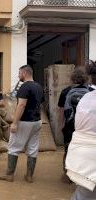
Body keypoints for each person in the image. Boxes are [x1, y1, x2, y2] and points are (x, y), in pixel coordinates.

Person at [0, 65, 43, 183]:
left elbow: (21, 105)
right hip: (37, 122)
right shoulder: (38, 86)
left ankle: (9, 175)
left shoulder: (24, 87)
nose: (18, 75)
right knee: (33, 148)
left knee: (13, 148)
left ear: (24, 73)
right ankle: (29, 176)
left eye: (19, 73)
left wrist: (15, 123)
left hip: (25, 121)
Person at [65, 62, 96, 199]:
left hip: (79, 153)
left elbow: (65, 112)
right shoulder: (87, 93)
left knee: (83, 194)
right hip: (89, 153)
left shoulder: (85, 98)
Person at [57, 67, 92, 182]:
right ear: (86, 78)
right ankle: (84, 176)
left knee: (69, 148)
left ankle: (67, 175)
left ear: (72, 78)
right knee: (86, 150)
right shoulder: (91, 91)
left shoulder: (65, 91)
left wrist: (61, 124)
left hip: (70, 126)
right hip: (87, 127)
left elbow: (61, 110)